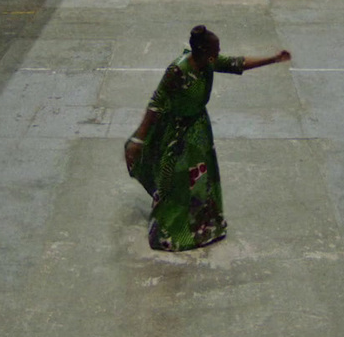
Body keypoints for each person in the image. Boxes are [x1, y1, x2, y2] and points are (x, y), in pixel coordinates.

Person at [124, 26, 291, 251]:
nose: (219, 51)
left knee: (198, 179)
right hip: (175, 131)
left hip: (199, 129)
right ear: (203, 50)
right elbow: (156, 102)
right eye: (215, 48)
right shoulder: (178, 70)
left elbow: (236, 63)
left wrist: (273, 59)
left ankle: (201, 224)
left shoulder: (209, 61)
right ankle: (166, 228)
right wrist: (139, 140)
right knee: (171, 177)